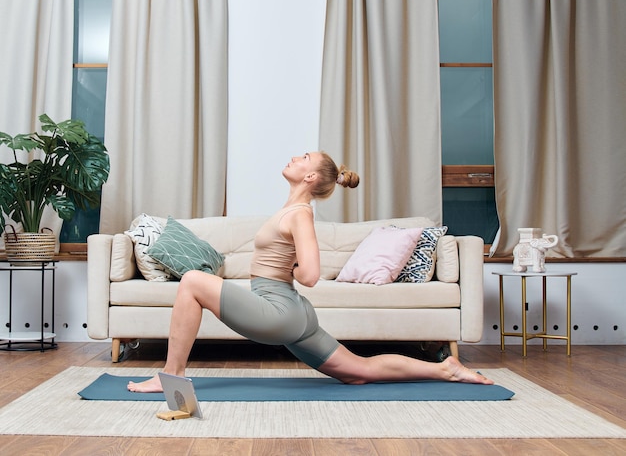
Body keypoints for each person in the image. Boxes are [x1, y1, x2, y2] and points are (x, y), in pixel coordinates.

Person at [128, 151, 493, 393]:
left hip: (278, 312)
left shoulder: (299, 215)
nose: (296, 157)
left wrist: (295, 266)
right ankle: (446, 369)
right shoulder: (292, 210)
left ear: (311, 176)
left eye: (304, 157)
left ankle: (172, 377)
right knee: (357, 371)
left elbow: (311, 275)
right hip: (293, 313)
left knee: (192, 281)